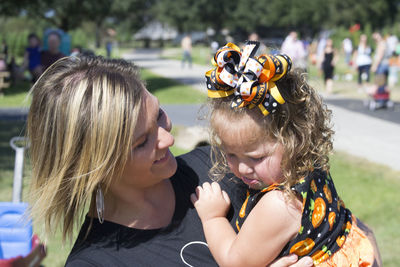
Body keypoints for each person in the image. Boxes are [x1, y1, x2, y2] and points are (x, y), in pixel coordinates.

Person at [26, 56, 314, 267]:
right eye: (142, 142)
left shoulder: (222, 167)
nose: (168, 140)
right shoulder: (97, 263)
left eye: (159, 115)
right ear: (95, 168)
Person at [193, 41, 381, 266]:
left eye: (256, 158)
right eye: (230, 154)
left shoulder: (280, 205)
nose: (242, 168)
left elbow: (234, 262)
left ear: (295, 140)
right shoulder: (310, 166)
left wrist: (212, 217)